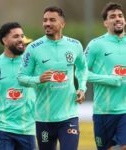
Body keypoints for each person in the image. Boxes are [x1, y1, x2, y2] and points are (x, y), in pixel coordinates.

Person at [18, 6, 88, 150]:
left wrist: (81, 87)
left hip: (69, 115)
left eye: (52, 20)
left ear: (62, 23)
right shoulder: (33, 48)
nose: (47, 23)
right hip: (44, 118)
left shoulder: (75, 45)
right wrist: (38, 79)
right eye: (45, 20)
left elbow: (82, 68)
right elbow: (21, 78)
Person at [85, 2, 126, 150]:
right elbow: (81, 73)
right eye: (113, 16)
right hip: (103, 111)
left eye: (120, 16)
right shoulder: (96, 44)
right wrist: (109, 79)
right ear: (105, 22)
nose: (118, 19)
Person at [0, 22, 36, 150]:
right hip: (2, 129)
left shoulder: (32, 64)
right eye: (16, 36)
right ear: (5, 40)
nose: (21, 39)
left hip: (27, 130)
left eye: (22, 36)